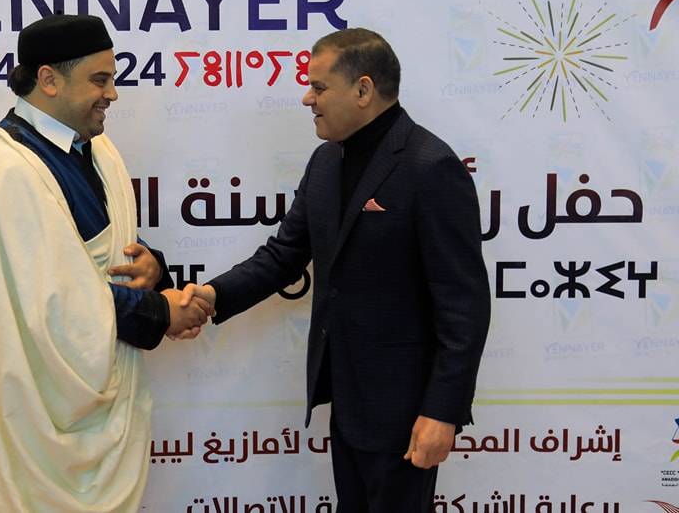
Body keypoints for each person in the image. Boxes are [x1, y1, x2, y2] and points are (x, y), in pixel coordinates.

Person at [183, 28, 490, 512]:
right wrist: (210, 296)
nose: (307, 99)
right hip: (346, 401)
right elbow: (283, 255)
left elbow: (464, 305)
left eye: (319, 87)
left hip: (405, 411)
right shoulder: (325, 161)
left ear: (363, 90)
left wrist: (442, 411)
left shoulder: (430, 166)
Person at [0, 14, 211, 512]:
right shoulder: (4, 172)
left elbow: (102, 248)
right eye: (99, 80)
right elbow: (57, 303)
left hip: (100, 420)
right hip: (32, 431)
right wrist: (163, 312)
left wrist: (152, 268)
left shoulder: (96, 149)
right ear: (49, 80)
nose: (112, 94)